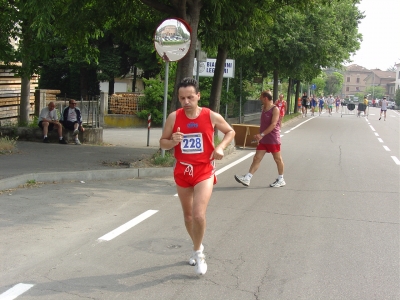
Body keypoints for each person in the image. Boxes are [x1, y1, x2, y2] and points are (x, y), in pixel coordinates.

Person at [159, 77, 235, 275]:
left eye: (190, 97)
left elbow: (230, 131)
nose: (186, 102)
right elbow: (162, 143)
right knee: (188, 216)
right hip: (183, 170)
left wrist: (220, 147)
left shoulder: (210, 116)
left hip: (203, 170)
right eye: (182, 98)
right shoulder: (174, 117)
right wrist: (172, 142)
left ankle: (198, 254)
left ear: (198, 96)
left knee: (199, 214)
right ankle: (197, 247)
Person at [234, 90, 285, 188]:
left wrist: (262, 134)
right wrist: (259, 135)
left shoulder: (275, 109)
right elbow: (263, 124)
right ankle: (248, 178)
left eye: (261, 97)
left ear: (265, 98)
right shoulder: (263, 108)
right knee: (257, 158)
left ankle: (281, 179)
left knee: (277, 159)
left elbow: (274, 124)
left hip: (273, 139)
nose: (259, 99)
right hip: (264, 139)